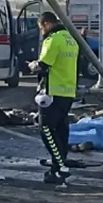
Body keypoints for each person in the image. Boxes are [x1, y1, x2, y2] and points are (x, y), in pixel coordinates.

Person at [28, 11, 78, 187]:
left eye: (41, 28)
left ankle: (60, 167)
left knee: (46, 129)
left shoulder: (53, 40)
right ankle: (58, 164)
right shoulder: (71, 39)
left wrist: (32, 65)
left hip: (52, 92)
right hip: (68, 91)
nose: (42, 32)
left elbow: (44, 65)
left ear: (47, 24)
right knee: (61, 130)